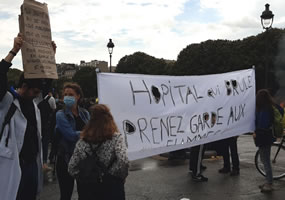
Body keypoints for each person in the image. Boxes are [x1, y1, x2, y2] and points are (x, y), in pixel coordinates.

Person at [0, 33, 56, 200]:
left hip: (32, 163)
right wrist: (14, 50)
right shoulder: (6, 100)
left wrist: (50, 58)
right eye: (34, 92)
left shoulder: (34, 102)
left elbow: (47, 83)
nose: (36, 95)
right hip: (13, 162)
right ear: (24, 86)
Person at [68, 104, 129, 200]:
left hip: (88, 191)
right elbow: (123, 161)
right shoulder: (116, 138)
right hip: (112, 189)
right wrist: (117, 176)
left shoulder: (83, 141)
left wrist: (85, 177)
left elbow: (72, 167)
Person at [55, 82, 90, 200]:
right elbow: (70, 135)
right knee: (66, 194)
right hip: (66, 159)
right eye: (65, 95)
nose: (67, 97)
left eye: (71, 94)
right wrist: (88, 134)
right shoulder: (60, 115)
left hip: (83, 159)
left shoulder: (85, 113)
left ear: (78, 96)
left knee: (85, 194)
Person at [253, 89, 275, 193]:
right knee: (265, 159)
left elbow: (262, 124)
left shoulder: (264, 109)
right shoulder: (267, 107)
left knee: (265, 160)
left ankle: (269, 183)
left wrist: (256, 131)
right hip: (266, 136)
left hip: (263, 137)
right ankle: (268, 181)